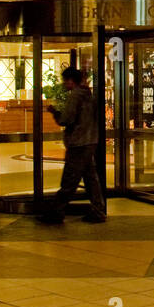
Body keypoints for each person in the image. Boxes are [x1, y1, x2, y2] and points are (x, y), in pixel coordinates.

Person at [39, 67, 106, 224]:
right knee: (90, 178)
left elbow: (66, 119)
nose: (64, 84)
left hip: (78, 143)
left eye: (65, 80)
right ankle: (98, 210)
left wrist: (55, 112)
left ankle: (56, 211)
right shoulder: (89, 95)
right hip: (90, 140)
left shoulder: (75, 96)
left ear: (70, 80)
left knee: (69, 179)